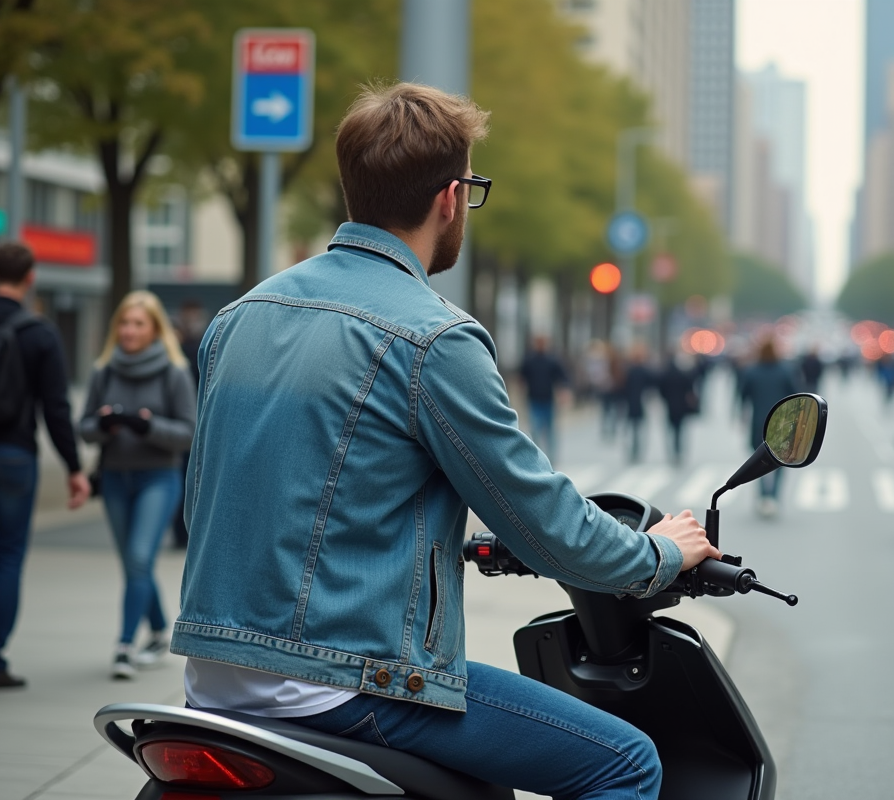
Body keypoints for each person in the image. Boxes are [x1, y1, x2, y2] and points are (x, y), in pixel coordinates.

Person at [171, 83, 718, 800]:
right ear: (452, 198)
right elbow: (541, 516)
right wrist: (658, 553)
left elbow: (211, 498)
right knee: (625, 762)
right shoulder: (434, 338)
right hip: (348, 680)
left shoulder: (237, 317)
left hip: (212, 675)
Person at [0, 242, 91, 689]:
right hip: (14, 458)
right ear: (30, 276)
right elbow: (55, 408)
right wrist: (75, 468)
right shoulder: (39, 333)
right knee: (7, 558)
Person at [79, 291, 196, 679]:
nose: (129, 331)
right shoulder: (104, 370)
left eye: (138, 324)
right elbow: (85, 429)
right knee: (134, 564)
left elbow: (189, 432)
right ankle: (159, 630)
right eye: (124, 324)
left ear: (154, 329)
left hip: (157, 479)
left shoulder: (173, 371)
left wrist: (148, 427)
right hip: (114, 478)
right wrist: (105, 424)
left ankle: (124, 646)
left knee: (139, 558)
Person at [739, 338, 797, 518]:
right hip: (782, 423)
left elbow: (743, 396)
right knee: (781, 462)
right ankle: (774, 497)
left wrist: (741, 416)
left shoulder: (751, 371)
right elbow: (796, 395)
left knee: (759, 462)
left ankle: (763, 496)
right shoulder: (785, 371)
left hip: (758, 423)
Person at [170, 299, 206, 550]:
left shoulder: (204, 339)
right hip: (181, 420)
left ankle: (185, 531)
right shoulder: (176, 341)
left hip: (195, 418)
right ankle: (180, 532)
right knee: (182, 474)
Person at [518, 334, 569, 463]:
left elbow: (562, 378)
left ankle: (551, 458)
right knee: (535, 430)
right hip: (534, 400)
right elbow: (521, 377)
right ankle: (536, 457)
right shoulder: (529, 360)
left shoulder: (552, 360)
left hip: (548, 400)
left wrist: (563, 392)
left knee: (550, 431)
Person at [659, 351, 699, 465]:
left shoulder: (665, 375)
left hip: (670, 406)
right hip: (681, 406)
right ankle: (678, 451)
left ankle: (673, 451)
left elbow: (661, 390)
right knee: (679, 430)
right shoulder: (683, 374)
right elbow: (689, 389)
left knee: (671, 430)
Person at [622, 342, 656, 463]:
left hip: (630, 403)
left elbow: (622, 388)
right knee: (638, 429)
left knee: (631, 429)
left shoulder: (628, 371)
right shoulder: (643, 370)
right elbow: (653, 383)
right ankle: (636, 450)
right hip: (639, 403)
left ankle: (633, 450)